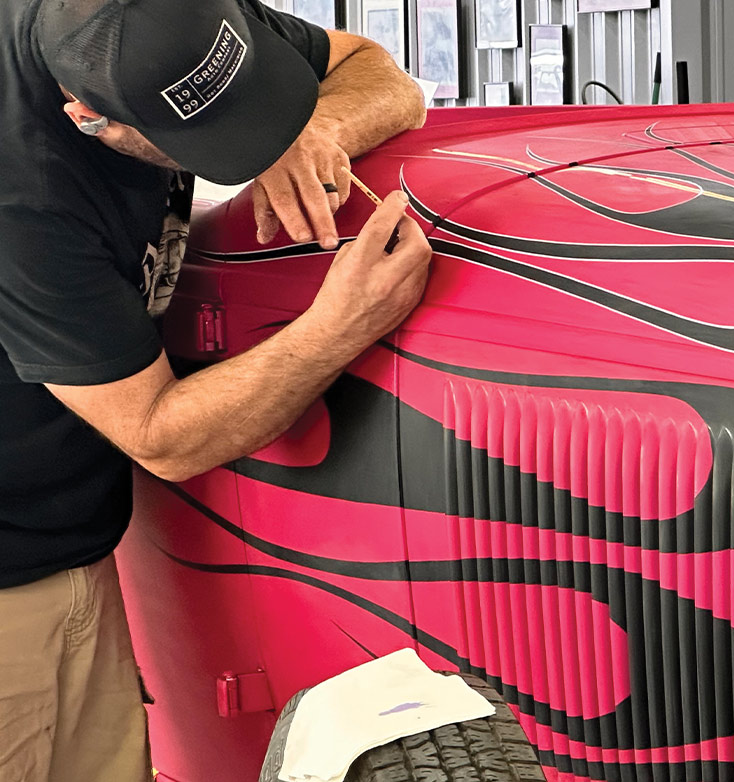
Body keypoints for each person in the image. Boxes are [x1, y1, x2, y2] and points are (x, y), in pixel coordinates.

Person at [0, 0, 432, 779]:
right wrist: (341, 325)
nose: (238, 142)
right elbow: (160, 434)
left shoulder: (168, 16)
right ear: (88, 116)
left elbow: (378, 71)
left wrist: (309, 133)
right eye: (200, 138)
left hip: (80, 538)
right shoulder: (23, 198)